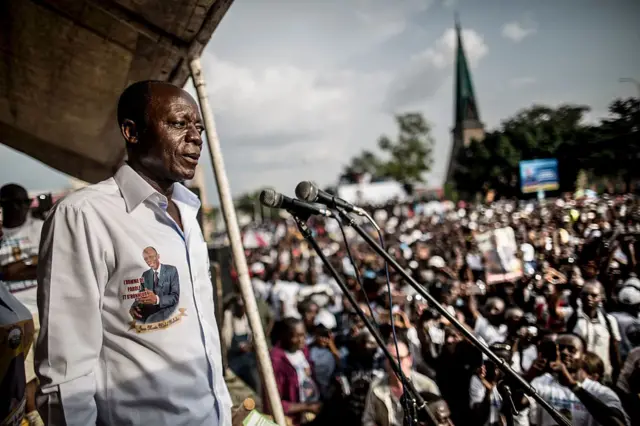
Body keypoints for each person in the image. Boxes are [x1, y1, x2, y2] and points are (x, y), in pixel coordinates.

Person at [35, 80, 231, 425]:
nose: (196, 136)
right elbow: (65, 369)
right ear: (132, 132)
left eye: (198, 126)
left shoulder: (188, 211)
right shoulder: (85, 215)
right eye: (178, 123)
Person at [0, 184, 44, 426]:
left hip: (45, 310)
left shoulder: (40, 228)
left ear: (28, 204)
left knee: (48, 374)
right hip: (14, 320)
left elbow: (49, 263)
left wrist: (12, 269)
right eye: (8, 203)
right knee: (24, 381)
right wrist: (33, 262)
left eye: (20, 202)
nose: (15, 208)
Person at [528, 333, 629, 426]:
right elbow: (517, 405)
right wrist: (529, 375)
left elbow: (617, 423)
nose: (564, 352)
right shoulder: (541, 382)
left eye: (571, 350)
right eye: (559, 348)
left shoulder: (600, 392)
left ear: (583, 356)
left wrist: (572, 385)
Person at [362, 339, 440, 426]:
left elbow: (438, 418)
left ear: (409, 360)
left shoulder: (427, 385)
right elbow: (368, 419)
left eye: (399, 359)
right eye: (390, 359)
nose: (395, 363)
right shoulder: (376, 386)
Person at [130, 246, 180, 323]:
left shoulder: (171, 270)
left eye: (150, 257)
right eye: (146, 259)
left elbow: (175, 296)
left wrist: (157, 299)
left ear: (158, 256)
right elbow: (141, 294)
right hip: (150, 308)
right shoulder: (145, 274)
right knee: (134, 319)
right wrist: (134, 306)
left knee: (150, 321)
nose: (148, 260)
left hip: (166, 307)